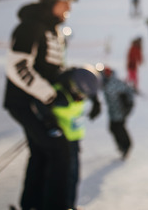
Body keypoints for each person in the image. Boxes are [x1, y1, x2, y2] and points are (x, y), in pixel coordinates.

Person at [3, 0, 100, 210]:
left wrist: (72, 81)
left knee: (42, 153)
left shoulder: (54, 30)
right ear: (50, 1)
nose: (69, 7)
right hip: (26, 102)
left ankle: (32, 204)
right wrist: (50, 95)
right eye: (65, 2)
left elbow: (51, 69)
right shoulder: (30, 27)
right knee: (58, 151)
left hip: (41, 103)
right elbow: (17, 66)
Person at [48, 65, 101, 210]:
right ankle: (64, 205)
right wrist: (51, 124)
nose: (82, 97)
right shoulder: (60, 94)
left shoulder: (79, 85)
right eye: (81, 94)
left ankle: (70, 205)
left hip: (74, 139)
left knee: (74, 176)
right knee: (65, 177)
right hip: (61, 141)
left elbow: (90, 85)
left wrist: (95, 101)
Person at [99, 64, 136, 159]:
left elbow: (128, 90)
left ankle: (126, 146)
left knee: (118, 128)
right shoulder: (107, 82)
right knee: (113, 128)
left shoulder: (113, 83)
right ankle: (122, 146)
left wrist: (128, 104)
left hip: (120, 111)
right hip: (113, 111)